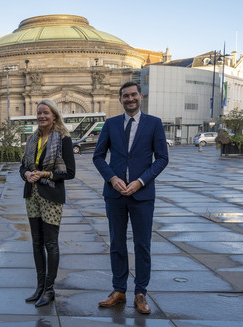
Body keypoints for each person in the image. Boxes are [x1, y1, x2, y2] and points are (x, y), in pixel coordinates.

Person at [93, 82, 168, 314]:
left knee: (142, 245)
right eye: (125, 96)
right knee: (116, 244)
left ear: (140, 96)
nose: (130, 99)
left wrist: (140, 181)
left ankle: (140, 293)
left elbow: (162, 158)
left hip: (142, 195)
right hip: (115, 195)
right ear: (120, 99)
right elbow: (98, 156)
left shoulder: (154, 124)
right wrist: (112, 178)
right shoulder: (110, 124)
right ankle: (118, 290)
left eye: (133, 95)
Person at [20, 99, 75, 307]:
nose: (42, 116)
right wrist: (26, 173)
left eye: (46, 113)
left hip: (51, 196)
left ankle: (49, 289)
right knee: (36, 243)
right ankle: (40, 286)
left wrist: (45, 173)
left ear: (54, 116)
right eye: (39, 113)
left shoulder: (63, 139)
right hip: (32, 195)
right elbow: (22, 167)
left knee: (50, 243)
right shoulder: (32, 138)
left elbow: (70, 172)